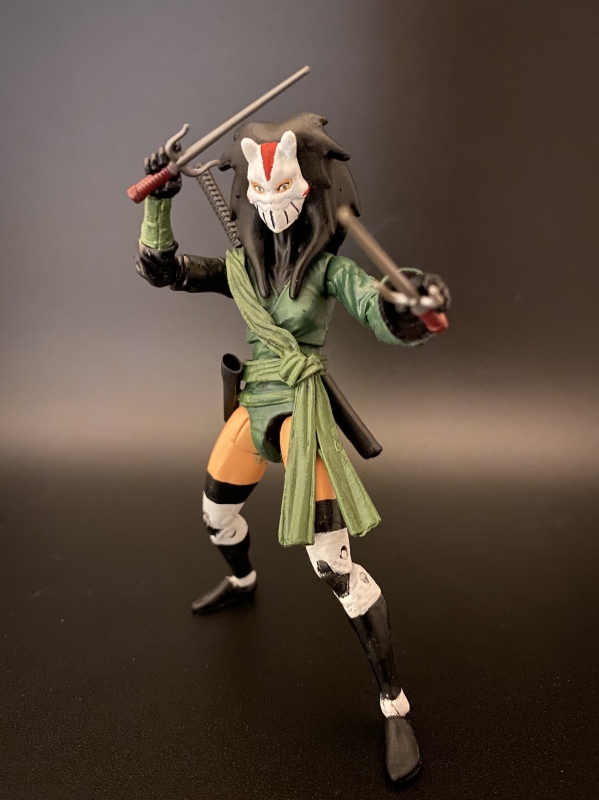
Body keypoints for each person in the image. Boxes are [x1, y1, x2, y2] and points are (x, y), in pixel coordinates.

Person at [134, 112, 450, 783]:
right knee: (215, 513)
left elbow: (378, 307)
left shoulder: (328, 271)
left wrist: (410, 303)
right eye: (263, 195)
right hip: (255, 405)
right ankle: (243, 579)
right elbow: (163, 271)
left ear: (310, 193)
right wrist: (160, 201)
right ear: (249, 197)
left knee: (333, 565)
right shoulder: (239, 268)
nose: (274, 208)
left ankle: (394, 704)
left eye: (286, 194)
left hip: (303, 413)